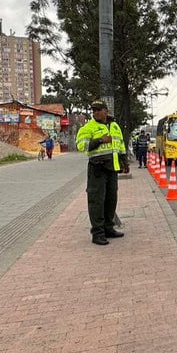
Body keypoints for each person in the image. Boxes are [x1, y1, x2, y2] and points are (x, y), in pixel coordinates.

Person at [75, 100, 127, 246]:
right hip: (97, 169)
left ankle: (108, 228)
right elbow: (81, 145)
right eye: (94, 110)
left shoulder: (114, 126)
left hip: (112, 168)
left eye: (99, 110)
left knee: (111, 200)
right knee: (97, 201)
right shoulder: (89, 127)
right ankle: (97, 233)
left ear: (106, 111)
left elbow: (120, 145)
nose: (95, 112)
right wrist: (99, 140)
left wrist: (124, 162)